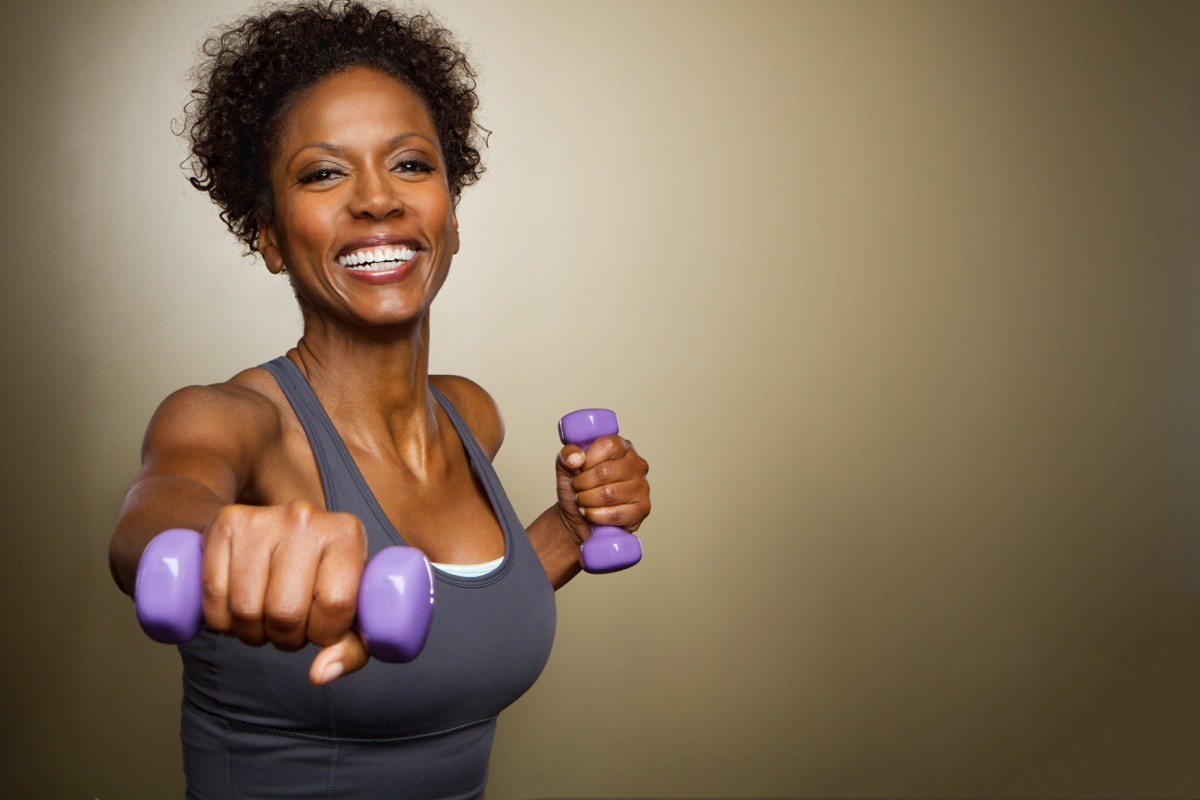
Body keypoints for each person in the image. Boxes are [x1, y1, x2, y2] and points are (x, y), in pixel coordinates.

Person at [106, 2, 651, 797]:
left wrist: (569, 530)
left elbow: (450, 617)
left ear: (451, 217)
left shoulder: (471, 416)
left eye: (411, 165)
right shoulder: (230, 420)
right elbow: (150, 522)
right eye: (324, 173)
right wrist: (220, 545)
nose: (377, 200)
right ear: (268, 235)